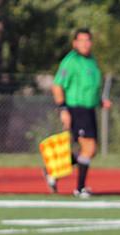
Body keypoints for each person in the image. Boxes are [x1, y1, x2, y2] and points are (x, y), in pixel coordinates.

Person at [48, 28, 112, 198]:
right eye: (81, 40)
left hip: (89, 109)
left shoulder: (91, 61)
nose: (85, 44)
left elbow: (90, 87)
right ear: (74, 43)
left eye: (88, 40)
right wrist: (63, 109)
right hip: (76, 109)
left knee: (91, 150)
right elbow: (57, 85)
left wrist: (100, 101)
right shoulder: (71, 61)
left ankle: (53, 171)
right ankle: (80, 188)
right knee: (88, 148)